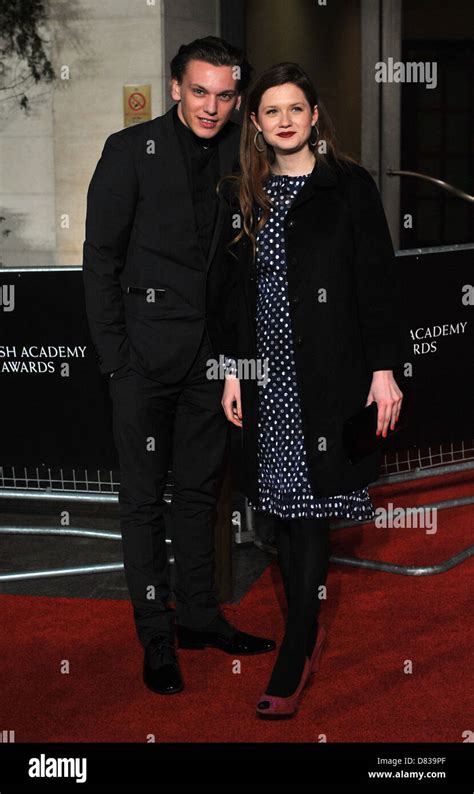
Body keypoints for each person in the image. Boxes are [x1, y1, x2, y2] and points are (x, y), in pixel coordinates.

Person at [82, 37, 276, 697]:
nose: (211, 106)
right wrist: (116, 361)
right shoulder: (128, 151)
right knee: (143, 501)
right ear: (174, 88)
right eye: (200, 91)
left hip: (212, 363)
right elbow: (99, 260)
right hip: (142, 360)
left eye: (225, 95)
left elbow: (238, 270)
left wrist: (234, 363)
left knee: (199, 493)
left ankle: (197, 615)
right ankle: (155, 635)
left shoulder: (239, 153)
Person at [221, 62, 404, 718]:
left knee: (311, 505)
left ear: (315, 115)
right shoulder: (248, 190)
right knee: (286, 509)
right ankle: (304, 626)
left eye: (296, 108)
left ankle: (296, 646)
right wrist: (234, 370)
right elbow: (233, 299)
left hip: (328, 374)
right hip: (268, 379)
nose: (286, 120)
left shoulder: (348, 186)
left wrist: (384, 370)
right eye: (272, 111)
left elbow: (377, 284)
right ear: (259, 124)